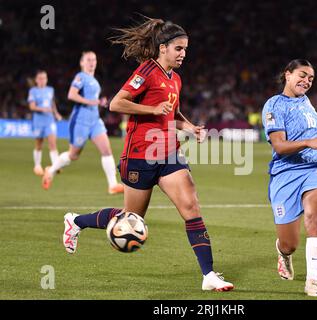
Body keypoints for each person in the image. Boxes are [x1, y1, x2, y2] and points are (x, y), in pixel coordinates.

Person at [62, 17, 234, 292]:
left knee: (191, 207)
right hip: (140, 155)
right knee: (130, 217)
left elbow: (172, 113)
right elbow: (117, 103)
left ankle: (209, 274)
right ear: (163, 47)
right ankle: (76, 221)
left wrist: (189, 127)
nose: (183, 54)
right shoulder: (146, 71)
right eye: (178, 48)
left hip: (168, 154)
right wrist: (151, 110)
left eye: (186, 49)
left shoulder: (175, 79)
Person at [262, 59, 317, 297]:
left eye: (311, 78)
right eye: (302, 75)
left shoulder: (307, 102)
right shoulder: (274, 105)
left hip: (315, 168)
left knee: (316, 218)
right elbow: (279, 145)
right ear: (287, 75)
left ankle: (312, 282)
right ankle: (283, 253)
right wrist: (308, 141)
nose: (306, 81)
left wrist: (312, 147)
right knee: (289, 244)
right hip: (285, 172)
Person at [42, 51, 124, 194]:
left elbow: (93, 100)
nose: (92, 62)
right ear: (82, 63)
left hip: (95, 120)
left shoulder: (94, 80)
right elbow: (71, 95)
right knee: (73, 155)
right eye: (88, 60)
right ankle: (51, 170)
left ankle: (113, 185)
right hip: (80, 121)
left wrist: (100, 102)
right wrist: (92, 101)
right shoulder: (80, 77)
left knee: (106, 150)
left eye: (94, 59)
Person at [27, 70, 62, 176]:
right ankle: (37, 166)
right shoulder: (33, 91)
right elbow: (32, 106)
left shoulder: (50, 90)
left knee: (52, 143)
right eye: (40, 78)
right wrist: (43, 109)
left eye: (44, 78)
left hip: (49, 120)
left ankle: (56, 166)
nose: (43, 80)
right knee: (39, 144)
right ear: (36, 80)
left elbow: (52, 103)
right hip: (38, 121)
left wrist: (56, 114)